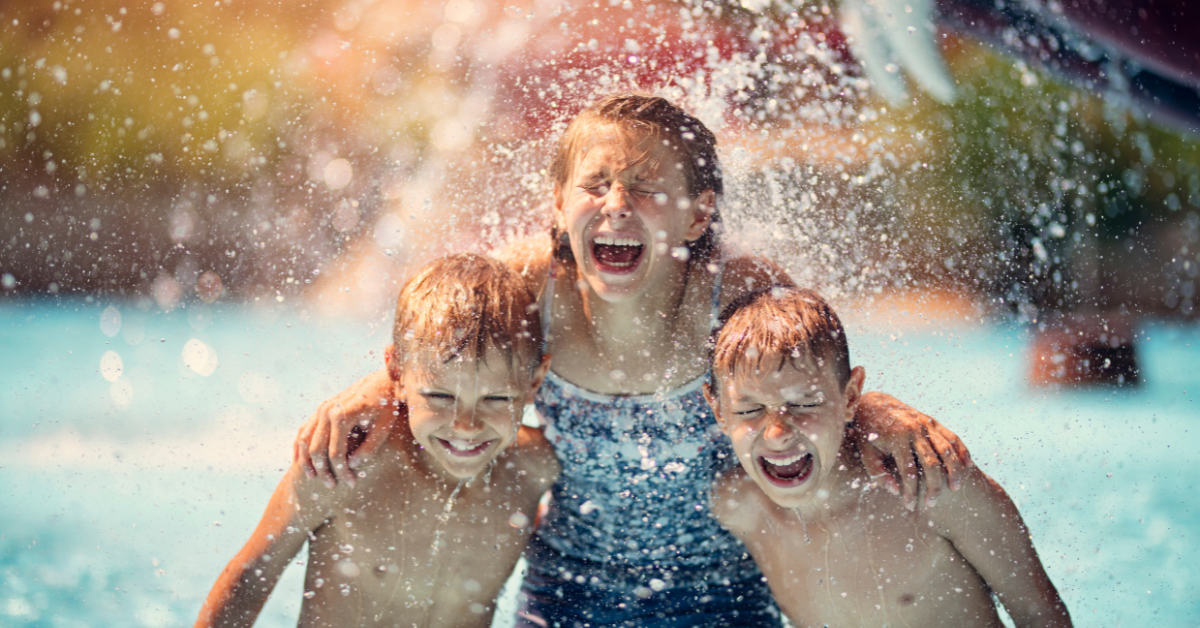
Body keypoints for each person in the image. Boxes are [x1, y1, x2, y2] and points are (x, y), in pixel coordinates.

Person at [293, 94, 974, 627]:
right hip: (564, 601)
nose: (618, 205)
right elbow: (439, 351)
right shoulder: (533, 288)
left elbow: (817, 379)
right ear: (558, 206)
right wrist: (375, 391)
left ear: (699, 215)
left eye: (648, 188)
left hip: (728, 604)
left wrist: (884, 409)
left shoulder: (733, 292)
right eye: (596, 185)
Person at [195, 254, 558, 628]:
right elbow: (252, 577)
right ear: (396, 373)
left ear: (534, 382)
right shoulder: (347, 462)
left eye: (497, 399)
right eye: (440, 397)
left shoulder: (534, 469)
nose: (465, 426)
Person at [703, 285, 1072, 627]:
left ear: (850, 398)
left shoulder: (935, 489)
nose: (777, 433)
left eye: (804, 403)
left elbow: (1039, 616)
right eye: (749, 411)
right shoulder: (739, 506)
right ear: (718, 411)